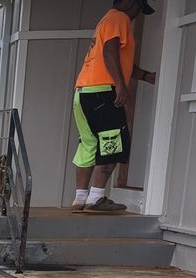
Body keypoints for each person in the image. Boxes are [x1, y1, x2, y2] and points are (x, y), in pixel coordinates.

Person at [72, 0, 157, 213]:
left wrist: (145, 76)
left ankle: (80, 199)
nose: (137, 15)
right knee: (112, 142)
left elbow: (117, 58)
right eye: (139, 8)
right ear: (129, 2)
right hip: (103, 91)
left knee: (89, 144)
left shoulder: (105, 21)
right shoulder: (119, 18)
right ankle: (96, 198)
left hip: (83, 92)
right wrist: (120, 84)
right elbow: (110, 52)